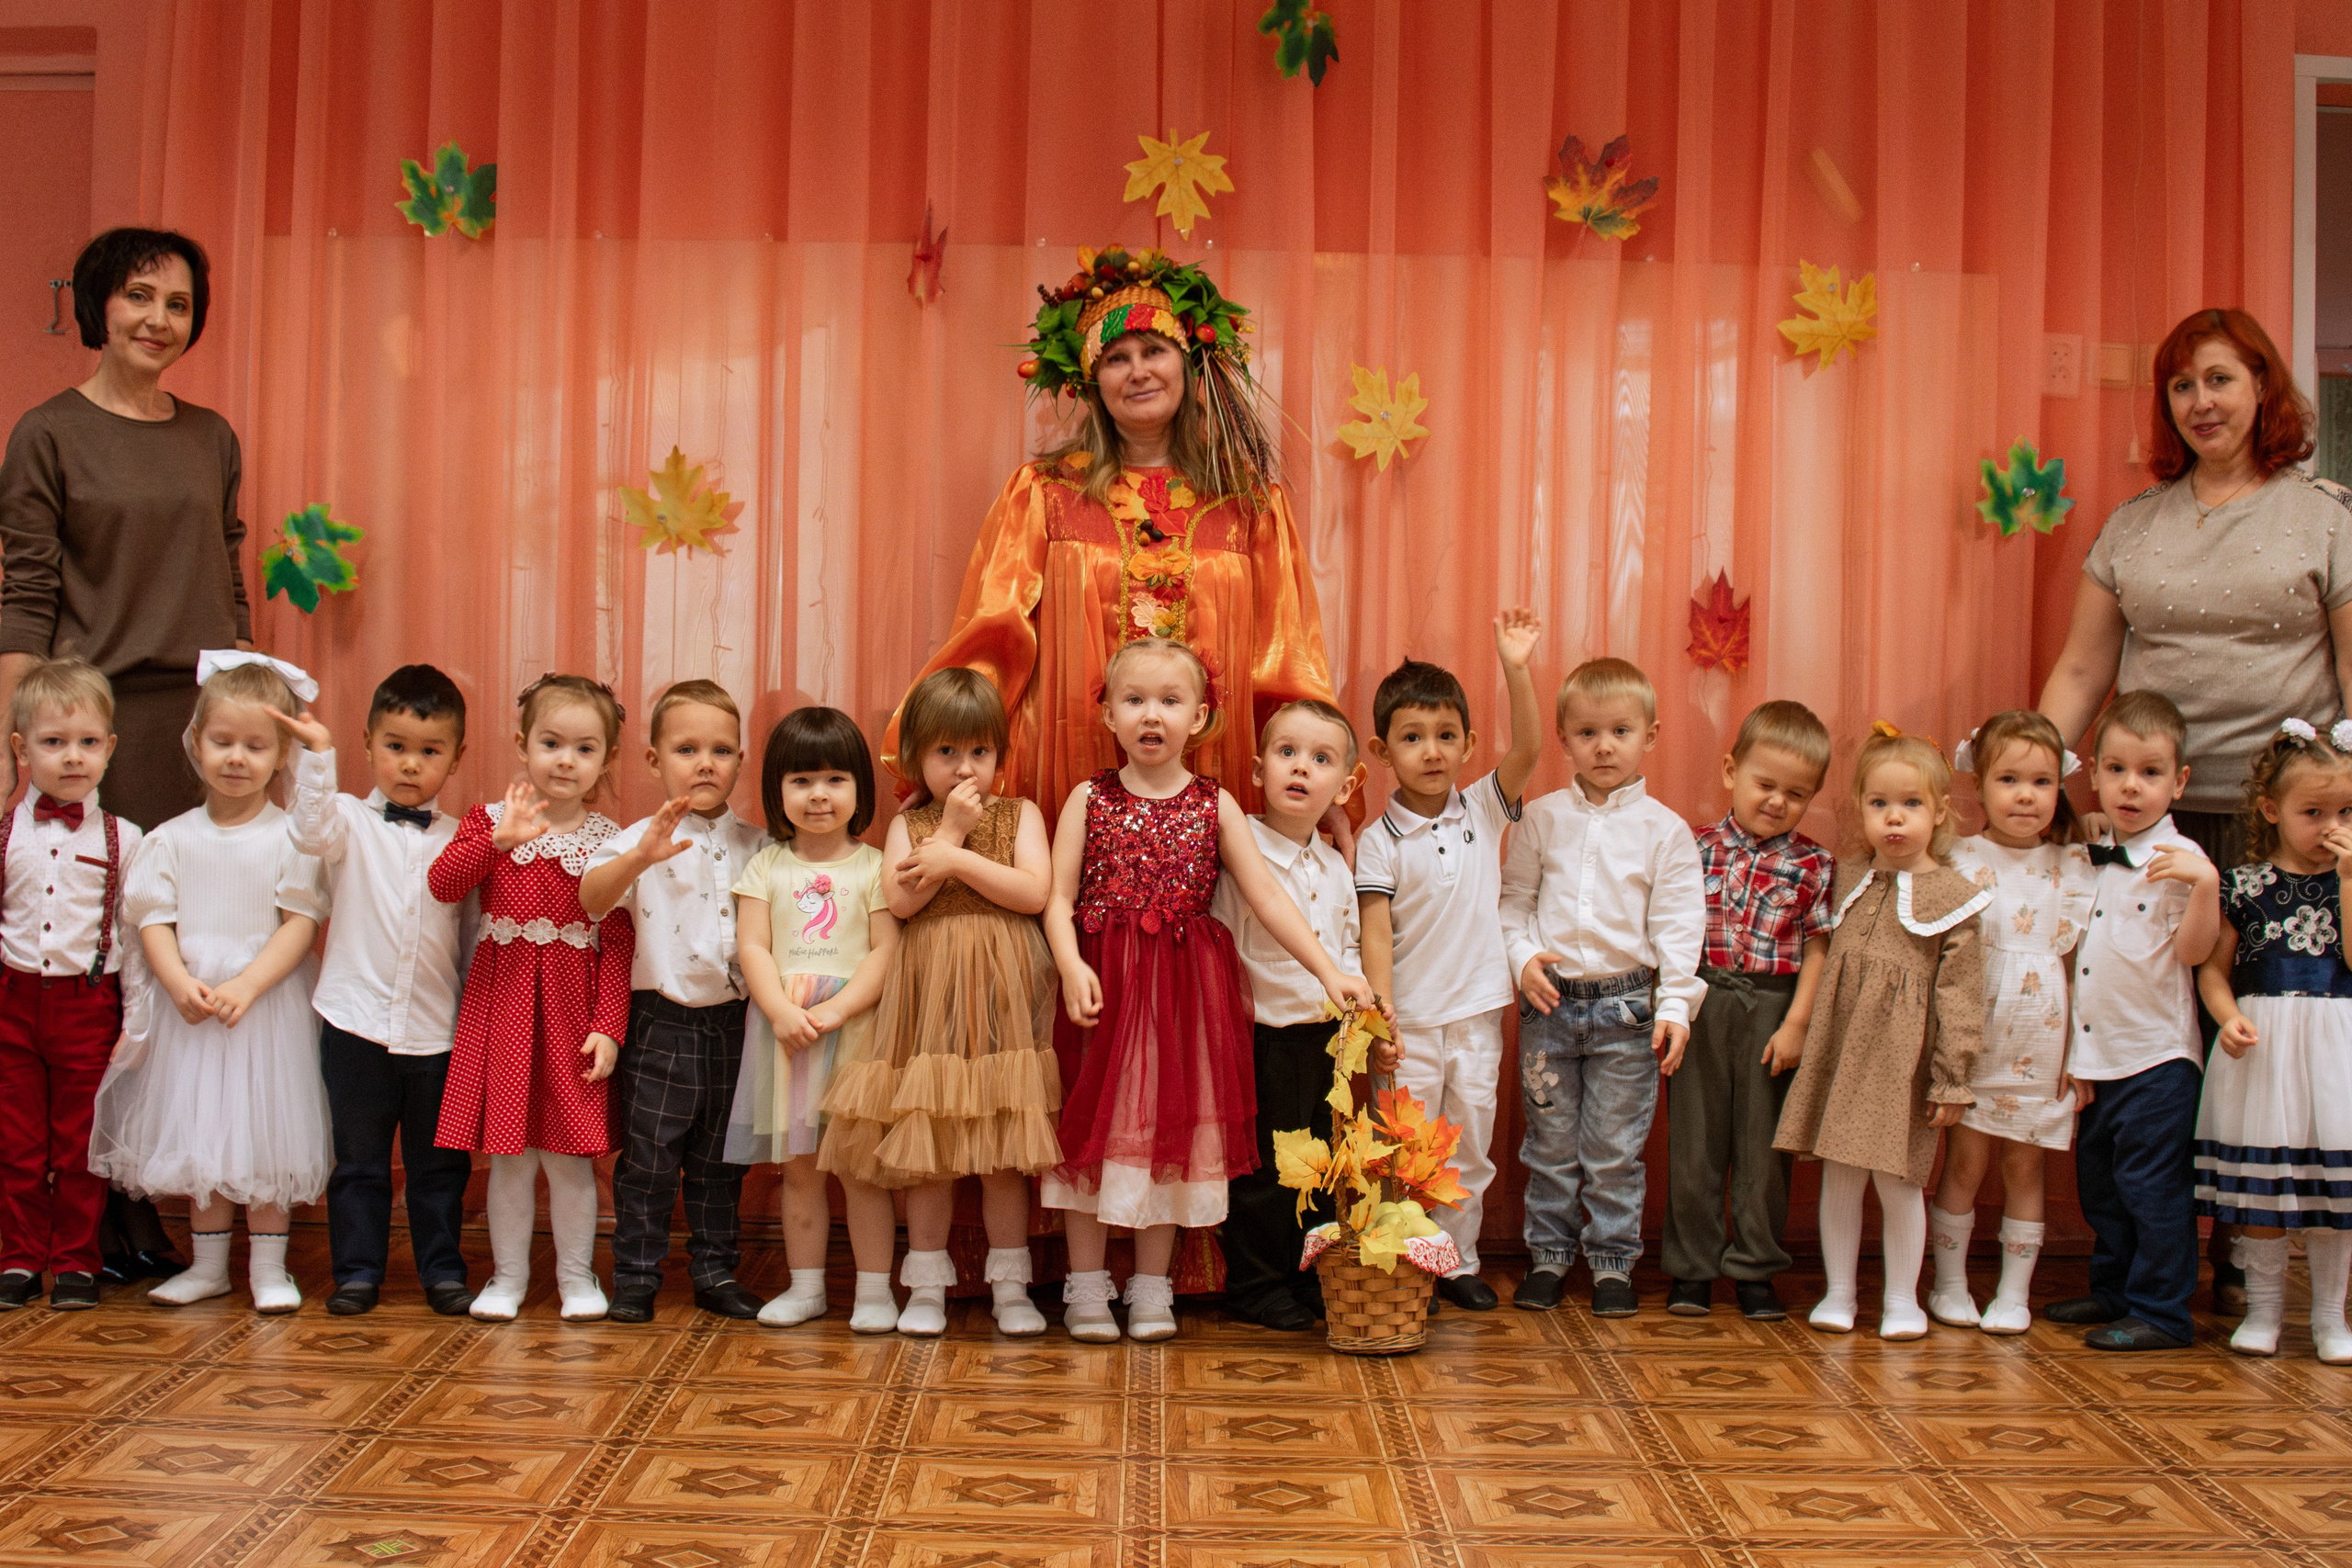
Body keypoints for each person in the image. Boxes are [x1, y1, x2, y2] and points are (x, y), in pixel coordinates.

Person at [2038, 308, 2351, 1312]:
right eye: (2181, 386)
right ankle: (2145, 1265)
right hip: (2145, 830)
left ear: (2263, 388)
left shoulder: (2326, 516)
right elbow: (2085, 666)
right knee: (2147, 1048)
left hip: (2278, 830)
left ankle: (2236, 1260)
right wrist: (2033, 774)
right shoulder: (2134, 524)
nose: (2201, 402)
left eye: (2219, 379)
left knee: (2248, 1043)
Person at [0, 228, 256, 1285]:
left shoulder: (211, 435)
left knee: (174, 971)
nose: (159, 319)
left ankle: (147, 1194)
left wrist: (248, 718)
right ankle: (73, 1213)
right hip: (91, 732)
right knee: (85, 978)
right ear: (98, 304)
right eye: (139, 297)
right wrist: (25, 749)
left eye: (180, 303)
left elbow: (230, 581)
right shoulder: (47, 432)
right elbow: (23, 588)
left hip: (193, 730)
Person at [880, 245, 1340, 821]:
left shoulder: (1249, 504)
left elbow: (1286, 658)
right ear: (1091, 380)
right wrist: (948, 757)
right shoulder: (1044, 494)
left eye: (1154, 350)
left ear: (1189, 363)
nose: (1139, 370)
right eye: (1117, 358)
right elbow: (992, 639)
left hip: (1217, 775)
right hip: (1071, 767)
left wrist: (1322, 787)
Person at [1043, 637, 1375, 1343]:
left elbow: (1270, 899)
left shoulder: (1214, 803)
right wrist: (1071, 964)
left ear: (1201, 717)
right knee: (1091, 1128)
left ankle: (1154, 1286)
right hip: (1105, 982)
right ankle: (1085, 1285)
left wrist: (1331, 970)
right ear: (1107, 712)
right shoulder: (1088, 797)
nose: (1151, 715)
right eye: (1134, 700)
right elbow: (1056, 895)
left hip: (1187, 993)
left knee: (1170, 1130)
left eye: (1170, 700)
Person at [820, 669, 1058, 1338]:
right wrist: (948, 838)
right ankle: (926, 1281)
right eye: (947, 752)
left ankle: (1011, 1285)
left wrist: (958, 861)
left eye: (978, 752)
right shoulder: (910, 824)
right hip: (928, 998)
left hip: (1003, 996)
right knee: (929, 1145)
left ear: (999, 756)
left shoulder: (1023, 815)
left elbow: (1034, 892)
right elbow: (901, 901)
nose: (963, 768)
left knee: (1004, 1146)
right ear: (917, 756)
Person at [88, 654, 331, 1313]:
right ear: (195, 742)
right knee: (202, 1136)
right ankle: (208, 1264)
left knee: (266, 1135)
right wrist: (176, 982)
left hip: (263, 1009)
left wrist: (249, 984)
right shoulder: (167, 840)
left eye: (255, 746)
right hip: (192, 1011)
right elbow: (152, 920)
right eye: (222, 741)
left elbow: (300, 923)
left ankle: (272, 1268)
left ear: (282, 753)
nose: (236, 758)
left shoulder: (289, 838)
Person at [1503, 659, 1707, 1318]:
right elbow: (1513, 903)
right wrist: (1525, 955)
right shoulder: (1540, 819)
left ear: (1651, 734)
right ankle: (1549, 1255)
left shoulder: (1665, 831)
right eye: (1588, 732)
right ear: (1563, 738)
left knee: (1615, 1150)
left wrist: (1674, 1004)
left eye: (1621, 730)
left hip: (1627, 1008)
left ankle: (1614, 1262)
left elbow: (1679, 925)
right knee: (1552, 1146)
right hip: (1552, 1004)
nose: (1604, 745)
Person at [431, 675, 636, 1323]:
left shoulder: (611, 839)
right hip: (504, 1007)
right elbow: (442, 884)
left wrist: (610, 1026)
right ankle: (508, 1277)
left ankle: (578, 1276)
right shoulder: (491, 821)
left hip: (574, 1014)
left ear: (607, 758)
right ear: (523, 745)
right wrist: (498, 842)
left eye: (584, 747)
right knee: (509, 1157)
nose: (565, 760)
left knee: (570, 1158)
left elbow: (621, 943)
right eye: (551, 743)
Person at [1773, 725, 1988, 1340]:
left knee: (1899, 1182)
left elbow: (1961, 996)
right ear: (1861, 808)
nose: (1895, 818)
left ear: (1941, 810)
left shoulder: (1953, 898)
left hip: (1902, 1063)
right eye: (1880, 803)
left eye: (1912, 803)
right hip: (1844, 1054)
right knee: (1841, 1174)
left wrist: (1951, 1077)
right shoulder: (1848, 880)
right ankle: (1840, 1291)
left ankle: (1901, 1298)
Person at [1355, 613, 1544, 1310]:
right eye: (1412, 737)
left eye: (1445, 736)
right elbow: (1376, 933)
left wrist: (1515, 666)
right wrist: (1381, 1015)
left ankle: (1457, 1261)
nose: (1431, 751)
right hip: (1410, 1023)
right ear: (1383, 750)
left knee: (1468, 1150)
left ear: (1466, 742)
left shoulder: (1485, 809)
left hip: (1477, 1016)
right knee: (1408, 1151)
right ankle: (1412, 1261)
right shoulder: (1378, 840)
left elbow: (1529, 744)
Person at [276, 666, 477, 1318]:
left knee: (439, 1166)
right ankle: (357, 1270)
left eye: (429, 750)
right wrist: (317, 755)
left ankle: (442, 1270)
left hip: (435, 1030)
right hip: (354, 1022)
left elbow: (473, 935)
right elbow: (307, 830)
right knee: (358, 1163)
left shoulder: (465, 839)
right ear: (368, 743)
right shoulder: (341, 821)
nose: (410, 765)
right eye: (395, 746)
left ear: (456, 756)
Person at [579, 680, 770, 1325]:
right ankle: (635, 1275)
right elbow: (592, 899)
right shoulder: (638, 839)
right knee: (650, 1159)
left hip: (736, 1024)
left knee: (721, 1161)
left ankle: (715, 1270)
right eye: (687, 748)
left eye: (721, 749)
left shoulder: (760, 846)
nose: (706, 762)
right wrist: (639, 859)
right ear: (654, 759)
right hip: (661, 1023)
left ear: (742, 759)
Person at [2042, 692, 2221, 1351]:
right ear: (2093, 771)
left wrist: (2205, 887)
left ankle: (2163, 1310)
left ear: (2179, 781)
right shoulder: (2092, 849)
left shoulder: (2182, 862)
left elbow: (2195, 955)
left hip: (2157, 1057)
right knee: (2103, 1184)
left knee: (2152, 1186)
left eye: (2149, 772)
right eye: (2116, 768)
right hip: (2098, 1056)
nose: (2130, 785)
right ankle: (2114, 1289)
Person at [729, 707, 901, 1331]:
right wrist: (779, 1009)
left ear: (860, 787)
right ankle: (806, 1287)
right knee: (799, 1169)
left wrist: (836, 1007)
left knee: (860, 1167)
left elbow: (886, 950)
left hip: (855, 1030)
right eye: (801, 780)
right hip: (786, 1034)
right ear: (778, 790)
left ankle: (876, 1290)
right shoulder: (766, 866)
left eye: (834, 779)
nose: (819, 794)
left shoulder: (875, 866)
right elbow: (753, 947)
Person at [1665, 700, 1836, 1322]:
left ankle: (1756, 1267)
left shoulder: (1814, 864)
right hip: (1703, 998)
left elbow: (1820, 946)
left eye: (1797, 793)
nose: (1777, 801)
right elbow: (1668, 929)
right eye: (1766, 784)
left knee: (1765, 1149)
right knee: (1696, 1143)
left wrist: (1796, 1024)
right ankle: (1692, 1268)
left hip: (1772, 1005)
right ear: (1732, 770)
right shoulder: (1690, 846)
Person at [1210, 699, 1374, 1332]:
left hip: (1324, 1037)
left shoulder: (1334, 862)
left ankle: (1308, 1275)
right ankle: (1255, 1283)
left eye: (1321, 758)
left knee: (1316, 1164)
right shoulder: (1241, 843)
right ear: (1257, 770)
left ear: (1347, 783)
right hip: (1263, 1034)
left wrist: (1362, 1000)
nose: (1301, 768)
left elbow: (1345, 944)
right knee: (1266, 1172)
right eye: (1286, 753)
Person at [1928, 712, 2096, 1335]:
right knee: (1965, 1164)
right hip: (1976, 1042)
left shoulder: (2076, 862)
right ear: (1978, 784)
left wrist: (2082, 1054)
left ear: (2060, 787)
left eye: (2042, 781)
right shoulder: (1960, 856)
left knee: (2027, 1168)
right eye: (2009, 779)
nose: (2025, 794)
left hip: (2043, 1044)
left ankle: (2013, 1293)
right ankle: (1949, 1285)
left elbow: (2087, 969)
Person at [2192, 720, 2352, 1363]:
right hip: (2265, 1049)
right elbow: (2211, 967)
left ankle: (2328, 1317)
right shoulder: (2245, 885)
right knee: (2264, 1186)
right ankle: (2261, 1311)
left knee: (2332, 1192)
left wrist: (2348, 880)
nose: (2330, 824)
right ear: (2272, 810)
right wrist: (2226, 1015)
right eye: (2312, 811)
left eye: (2345, 810)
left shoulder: (2349, 883)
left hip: (2334, 1049)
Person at [0, 660, 143, 1312]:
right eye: (54, 742)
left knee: (82, 1143)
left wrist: (134, 1020)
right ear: (21, 748)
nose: (73, 757)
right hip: (14, 1001)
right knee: (18, 1143)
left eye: (88, 742)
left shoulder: (126, 838)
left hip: (90, 1006)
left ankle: (79, 1260)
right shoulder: (5, 834)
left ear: (110, 748)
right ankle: (20, 1258)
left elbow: (133, 935)